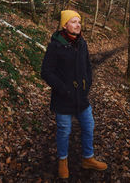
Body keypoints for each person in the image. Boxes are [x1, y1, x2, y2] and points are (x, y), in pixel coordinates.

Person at [41, 10, 107, 179]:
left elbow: (87, 66)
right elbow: (46, 72)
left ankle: (88, 158)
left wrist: (88, 83)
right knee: (64, 130)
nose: (78, 25)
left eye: (79, 21)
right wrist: (63, 89)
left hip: (81, 97)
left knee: (88, 125)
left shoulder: (82, 43)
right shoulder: (55, 45)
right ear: (65, 25)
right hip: (63, 98)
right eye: (74, 21)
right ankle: (63, 161)